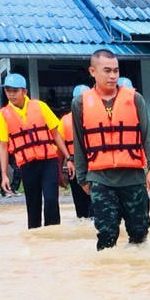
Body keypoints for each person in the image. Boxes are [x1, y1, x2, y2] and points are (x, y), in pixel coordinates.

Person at [71, 49, 150, 250]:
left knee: (139, 233)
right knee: (106, 235)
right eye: (107, 71)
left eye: (116, 70)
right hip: (100, 179)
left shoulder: (135, 98)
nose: (113, 76)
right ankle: (107, 278)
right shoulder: (80, 103)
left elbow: (148, 135)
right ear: (92, 71)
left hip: (133, 178)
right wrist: (82, 178)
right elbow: (79, 142)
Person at [0, 73, 70, 227]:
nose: (11, 94)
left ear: (24, 91)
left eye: (15, 90)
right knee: (33, 205)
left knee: (51, 200)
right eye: (8, 90)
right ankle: (35, 239)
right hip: (27, 165)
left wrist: (69, 157)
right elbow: (3, 145)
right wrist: (4, 175)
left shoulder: (40, 106)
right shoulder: (3, 115)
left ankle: (53, 235)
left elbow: (55, 134)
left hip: (48, 161)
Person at [60, 85, 93, 221]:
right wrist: (59, 172)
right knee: (81, 213)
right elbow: (59, 148)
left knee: (98, 206)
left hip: (96, 167)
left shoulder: (97, 117)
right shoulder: (65, 121)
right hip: (75, 167)